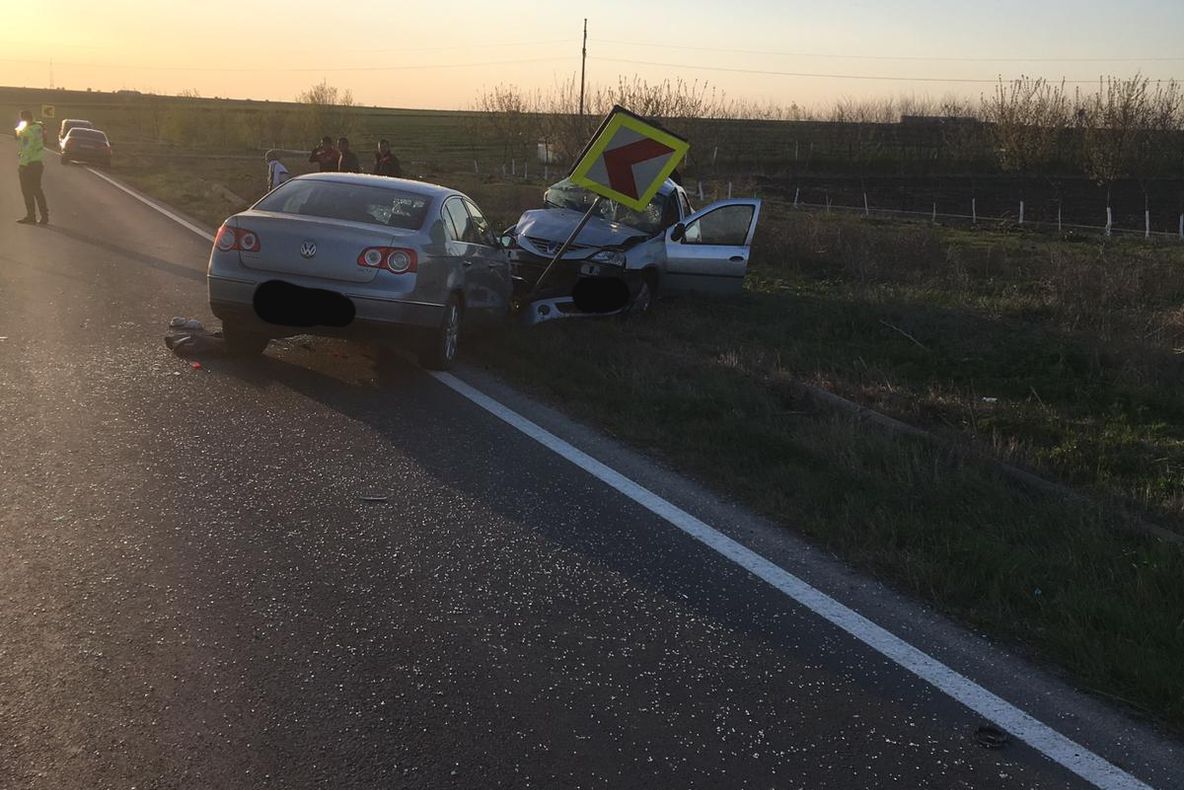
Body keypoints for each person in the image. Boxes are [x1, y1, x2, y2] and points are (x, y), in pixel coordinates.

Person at [15, 110, 48, 225]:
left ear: (24, 119)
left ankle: (31, 216)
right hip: (38, 164)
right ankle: (44, 217)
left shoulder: (28, 131)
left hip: (28, 165)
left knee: (27, 192)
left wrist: (23, 165)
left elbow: (27, 149)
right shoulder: (38, 128)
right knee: (37, 191)